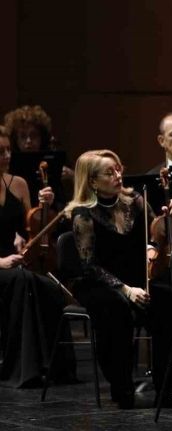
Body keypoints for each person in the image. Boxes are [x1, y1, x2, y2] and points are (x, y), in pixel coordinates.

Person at [65, 149, 172, 409]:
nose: (118, 175)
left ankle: (169, 387)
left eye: (119, 169)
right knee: (115, 310)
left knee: (168, 304)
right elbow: (90, 267)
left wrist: (171, 217)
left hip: (135, 278)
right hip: (97, 283)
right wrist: (125, 290)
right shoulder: (83, 215)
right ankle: (122, 387)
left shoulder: (135, 201)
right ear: (92, 181)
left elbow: (157, 234)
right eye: (109, 173)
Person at [0, 125, 75, 388]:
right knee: (23, 282)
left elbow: (28, 227)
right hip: (1, 264)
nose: (7, 155)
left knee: (50, 287)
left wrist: (46, 206)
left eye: (8, 149)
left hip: (16, 260)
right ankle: (23, 369)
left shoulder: (17, 184)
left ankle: (56, 367)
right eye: (1, 151)